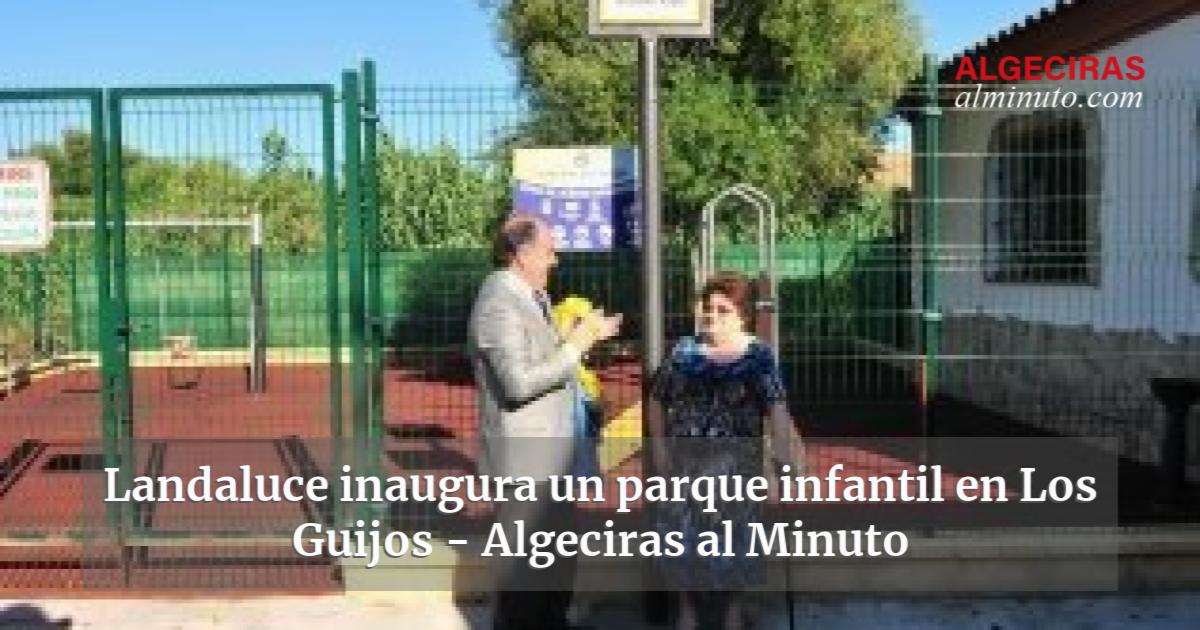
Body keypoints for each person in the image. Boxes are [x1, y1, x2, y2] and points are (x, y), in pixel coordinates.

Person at [467, 213, 622, 630]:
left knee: (556, 568)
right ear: (521, 253)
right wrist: (576, 345)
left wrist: (583, 336)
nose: (555, 260)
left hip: (552, 459)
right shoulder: (499, 301)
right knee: (524, 583)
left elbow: (544, 361)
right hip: (525, 464)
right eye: (549, 251)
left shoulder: (532, 297)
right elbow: (518, 383)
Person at [649, 271, 802, 630]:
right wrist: (658, 448)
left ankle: (732, 610)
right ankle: (687, 612)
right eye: (708, 307)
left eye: (723, 309)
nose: (712, 315)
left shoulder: (759, 356)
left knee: (738, 541)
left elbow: (777, 409)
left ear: (743, 315)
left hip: (738, 469)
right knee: (681, 540)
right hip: (685, 468)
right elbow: (657, 400)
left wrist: (781, 462)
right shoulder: (683, 352)